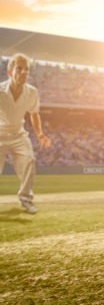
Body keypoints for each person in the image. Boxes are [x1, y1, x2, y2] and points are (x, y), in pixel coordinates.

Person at [0, 54, 52, 214]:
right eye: (19, 69)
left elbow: (34, 114)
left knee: (29, 160)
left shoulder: (32, 92)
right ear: (10, 71)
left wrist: (40, 135)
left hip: (19, 134)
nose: (23, 72)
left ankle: (26, 200)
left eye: (26, 69)